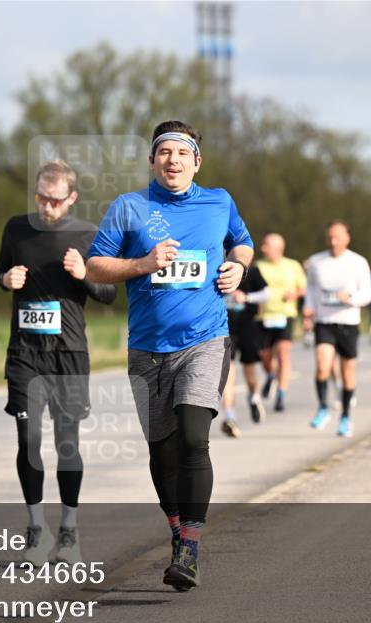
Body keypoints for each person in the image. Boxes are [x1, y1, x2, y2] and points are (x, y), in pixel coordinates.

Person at [86, 120, 254, 591]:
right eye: (165, 153)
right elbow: (96, 266)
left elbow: (242, 240)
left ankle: (190, 548)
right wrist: (142, 264)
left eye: (182, 153)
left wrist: (238, 267)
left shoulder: (218, 201)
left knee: (193, 437)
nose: (173, 160)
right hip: (146, 351)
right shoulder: (129, 207)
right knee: (162, 452)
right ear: (152, 161)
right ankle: (178, 530)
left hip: (205, 340)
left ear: (196, 162)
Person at [0, 160, 116, 567]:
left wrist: (84, 274)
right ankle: (34, 528)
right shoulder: (16, 228)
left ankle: (68, 531)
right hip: (25, 352)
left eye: (55, 200)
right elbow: (1, 271)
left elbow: (109, 294)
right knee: (27, 440)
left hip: (69, 353)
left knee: (67, 443)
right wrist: (5, 279)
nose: (47, 207)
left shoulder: (87, 235)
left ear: (72, 198)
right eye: (41, 198)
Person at [302, 221, 371, 437]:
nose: (334, 242)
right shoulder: (316, 261)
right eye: (330, 238)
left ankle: (345, 417)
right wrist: (308, 308)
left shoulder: (358, 262)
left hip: (349, 322)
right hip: (324, 322)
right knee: (323, 365)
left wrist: (350, 297)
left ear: (347, 238)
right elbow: (311, 288)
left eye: (338, 237)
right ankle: (323, 407)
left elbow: (367, 295)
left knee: (347, 371)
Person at [254, 233, 306, 412]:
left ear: (278, 248)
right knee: (264, 356)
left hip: (285, 314)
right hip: (263, 317)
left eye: (265, 245)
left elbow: (303, 288)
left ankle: (281, 394)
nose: (262, 248)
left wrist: (295, 294)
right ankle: (270, 374)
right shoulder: (258, 266)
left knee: (284, 354)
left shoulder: (293, 265)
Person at [219, 264, 268, 436]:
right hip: (224, 329)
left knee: (250, 374)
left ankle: (253, 397)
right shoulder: (215, 268)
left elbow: (266, 293)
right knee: (227, 375)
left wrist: (246, 297)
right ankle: (229, 417)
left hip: (247, 327)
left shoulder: (252, 270)